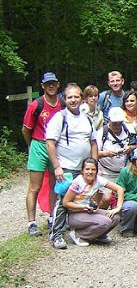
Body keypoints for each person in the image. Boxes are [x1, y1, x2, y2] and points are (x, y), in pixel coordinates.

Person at [46, 83, 98, 249]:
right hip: (66, 168)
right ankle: (57, 234)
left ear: (81, 99)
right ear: (64, 99)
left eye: (76, 97)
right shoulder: (59, 118)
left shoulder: (87, 119)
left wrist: (94, 164)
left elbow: (93, 142)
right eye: (70, 97)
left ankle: (78, 230)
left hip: (84, 169)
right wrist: (57, 167)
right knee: (63, 201)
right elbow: (50, 143)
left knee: (83, 198)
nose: (73, 100)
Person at [23, 72, 64, 236]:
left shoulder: (62, 103)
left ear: (58, 84)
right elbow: (26, 129)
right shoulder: (36, 105)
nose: (51, 86)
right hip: (39, 144)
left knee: (55, 184)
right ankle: (31, 222)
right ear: (43, 86)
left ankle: (52, 216)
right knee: (35, 186)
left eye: (53, 83)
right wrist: (32, 145)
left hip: (56, 145)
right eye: (48, 84)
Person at [63, 158, 123, 246]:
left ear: (96, 171)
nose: (90, 172)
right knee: (105, 221)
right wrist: (83, 207)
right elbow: (65, 203)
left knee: (115, 217)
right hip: (75, 214)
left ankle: (99, 235)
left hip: (89, 211)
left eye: (93, 169)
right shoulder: (77, 183)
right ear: (82, 171)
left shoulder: (98, 180)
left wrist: (117, 208)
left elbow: (119, 189)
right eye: (87, 169)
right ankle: (78, 235)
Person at [97, 107, 137, 208]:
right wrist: (106, 153)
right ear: (109, 120)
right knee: (106, 198)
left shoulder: (128, 130)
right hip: (106, 172)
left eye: (119, 122)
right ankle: (101, 216)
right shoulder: (102, 133)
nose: (117, 125)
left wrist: (130, 148)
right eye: (114, 123)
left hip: (124, 172)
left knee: (124, 196)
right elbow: (94, 153)